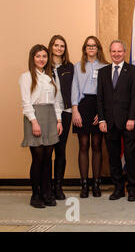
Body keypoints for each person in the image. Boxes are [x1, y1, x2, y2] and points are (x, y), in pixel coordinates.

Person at [19, 44, 63, 208]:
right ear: (32, 58)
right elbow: (26, 103)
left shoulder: (51, 76)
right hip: (35, 117)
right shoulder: (26, 77)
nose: (41, 59)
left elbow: (57, 101)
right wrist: (34, 122)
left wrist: (58, 121)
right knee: (37, 158)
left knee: (47, 158)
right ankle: (35, 194)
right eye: (38, 56)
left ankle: (46, 192)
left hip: (50, 117)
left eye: (44, 56)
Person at [97, 40, 135, 202]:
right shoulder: (103, 72)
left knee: (130, 156)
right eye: (113, 51)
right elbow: (100, 99)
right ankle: (118, 188)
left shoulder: (134, 71)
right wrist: (101, 119)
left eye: (119, 51)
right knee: (113, 157)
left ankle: (132, 189)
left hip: (129, 121)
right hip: (109, 122)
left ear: (124, 52)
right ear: (110, 53)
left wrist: (131, 118)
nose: (116, 54)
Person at [72, 36, 107, 198]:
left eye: (94, 46)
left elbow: (108, 92)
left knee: (97, 145)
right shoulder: (78, 66)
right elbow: (74, 89)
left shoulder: (105, 67)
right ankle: (84, 184)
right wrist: (75, 110)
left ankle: (96, 184)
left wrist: (101, 113)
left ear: (98, 48)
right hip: (83, 105)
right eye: (88, 46)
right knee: (83, 145)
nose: (91, 48)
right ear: (84, 49)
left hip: (99, 105)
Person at [48, 35, 74, 200]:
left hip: (65, 112)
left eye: (62, 46)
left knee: (60, 149)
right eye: (56, 45)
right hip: (47, 112)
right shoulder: (44, 66)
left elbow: (74, 90)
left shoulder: (69, 67)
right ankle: (46, 186)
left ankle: (58, 186)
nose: (59, 48)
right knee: (46, 150)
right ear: (51, 47)